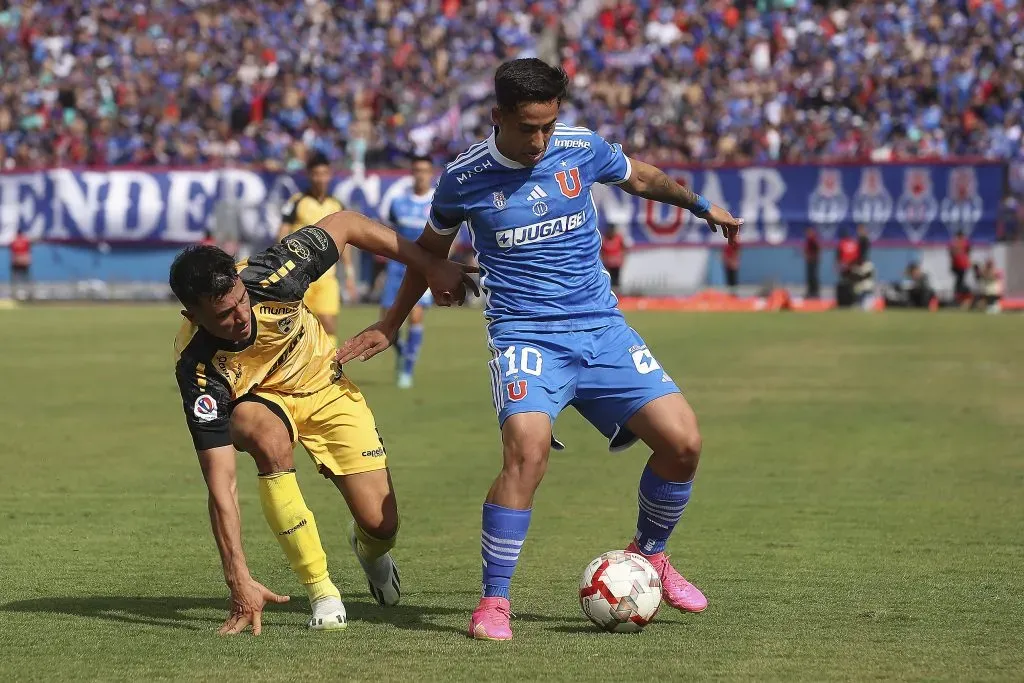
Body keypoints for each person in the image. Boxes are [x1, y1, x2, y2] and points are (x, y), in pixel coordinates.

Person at [337, 58, 743, 641]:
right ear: (499, 116)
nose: (540, 140)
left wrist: (702, 207)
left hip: (602, 327)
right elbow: (429, 252)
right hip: (525, 337)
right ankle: (494, 601)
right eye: (529, 127)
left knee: (684, 443)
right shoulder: (463, 177)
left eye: (549, 126)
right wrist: (391, 323)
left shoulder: (579, 147)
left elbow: (643, 178)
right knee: (526, 452)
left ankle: (651, 554)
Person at [171, 210, 476, 635]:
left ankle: (370, 552)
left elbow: (347, 224)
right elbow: (221, 483)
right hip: (265, 401)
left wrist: (430, 264)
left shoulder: (275, 274)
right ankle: (322, 591)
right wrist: (237, 578)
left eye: (241, 300)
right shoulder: (197, 368)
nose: (241, 316)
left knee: (381, 524)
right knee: (262, 431)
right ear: (193, 316)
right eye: (223, 314)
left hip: (326, 385)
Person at [278, 154, 358, 342]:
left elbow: (345, 242)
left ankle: (329, 369)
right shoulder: (297, 202)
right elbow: (282, 233)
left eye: (324, 174)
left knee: (328, 323)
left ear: (329, 175)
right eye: (316, 174)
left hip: (327, 276)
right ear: (309, 175)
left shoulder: (337, 205)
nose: (320, 178)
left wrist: (349, 275)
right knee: (298, 328)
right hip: (299, 275)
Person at [382, 155, 438, 389]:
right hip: (397, 267)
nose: (420, 174)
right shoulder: (398, 202)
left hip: (421, 268)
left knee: (414, 316)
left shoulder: (437, 201)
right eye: (416, 170)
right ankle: (404, 353)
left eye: (424, 170)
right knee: (386, 323)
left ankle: (407, 370)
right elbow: (390, 232)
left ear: (431, 173)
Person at [600, 223, 628, 294]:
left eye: (612, 230)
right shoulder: (604, 239)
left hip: (617, 264)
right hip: (607, 264)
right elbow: (601, 251)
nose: (611, 232)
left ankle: (618, 295)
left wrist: (622, 258)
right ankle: (608, 294)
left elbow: (624, 248)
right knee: (608, 279)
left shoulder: (619, 238)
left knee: (616, 280)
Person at [949, 230, 971, 302]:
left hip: (962, 265)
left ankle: (961, 295)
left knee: (960, 282)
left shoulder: (957, 243)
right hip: (959, 265)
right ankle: (959, 296)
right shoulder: (959, 243)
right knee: (959, 282)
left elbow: (968, 252)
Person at [9, 231, 31, 301]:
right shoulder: (25, 240)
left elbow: (12, 252)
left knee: (16, 278)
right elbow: (28, 252)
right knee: (24, 278)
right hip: (23, 261)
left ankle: (15, 293)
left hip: (16, 261)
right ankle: (26, 293)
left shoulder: (14, 241)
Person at [804, 227, 820, 299]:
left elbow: (818, 249)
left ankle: (814, 292)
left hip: (812, 261)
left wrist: (812, 257)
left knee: (812, 276)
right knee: (810, 276)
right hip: (811, 261)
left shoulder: (813, 240)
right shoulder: (809, 240)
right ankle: (811, 291)